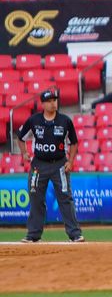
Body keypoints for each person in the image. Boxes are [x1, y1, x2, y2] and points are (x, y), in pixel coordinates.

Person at [17, 89, 83, 243]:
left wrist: (70, 161)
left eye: (55, 100)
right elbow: (20, 137)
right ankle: (33, 234)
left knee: (65, 198)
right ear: (43, 103)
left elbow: (73, 143)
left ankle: (75, 234)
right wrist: (24, 153)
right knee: (35, 198)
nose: (53, 103)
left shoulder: (65, 121)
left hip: (59, 164)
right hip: (38, 165)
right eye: (50, 100)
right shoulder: (34, 120)